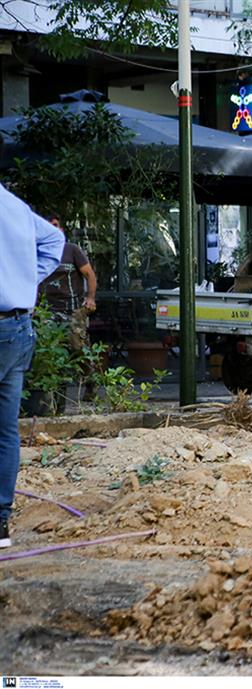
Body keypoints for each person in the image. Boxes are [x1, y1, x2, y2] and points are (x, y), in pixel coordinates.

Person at [0, 181, 66, 548]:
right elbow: (55, 241)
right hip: (18, 325)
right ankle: (0, 524)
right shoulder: (16, 206)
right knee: (6, 431)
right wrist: (27, 280)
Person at [39, 215, 99, 394]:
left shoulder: (71, 250)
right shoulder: (39, 252)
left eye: (56, 225)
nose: (52, 229)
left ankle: (91, 385)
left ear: (62, 230)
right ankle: (55, 396)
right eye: (48, 226)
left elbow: (90, 275)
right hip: (47, 310)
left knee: (78, 349)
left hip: (73, 309)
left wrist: (90, 298)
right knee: (49, 352)